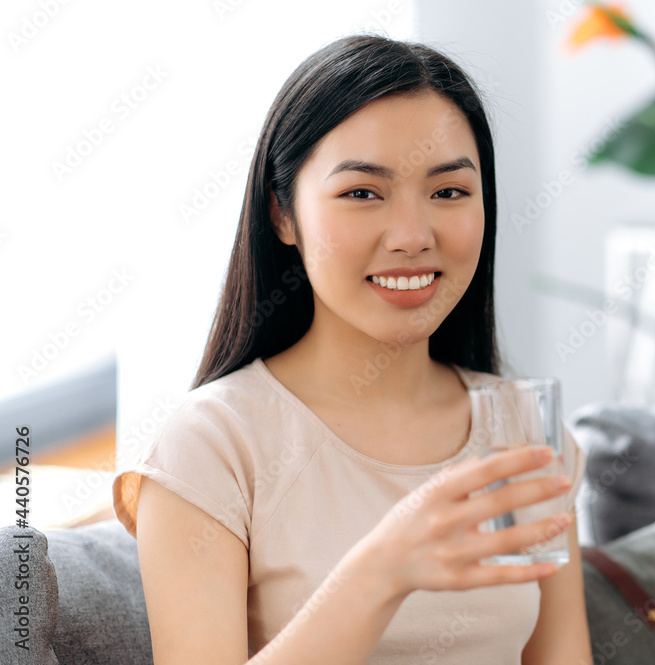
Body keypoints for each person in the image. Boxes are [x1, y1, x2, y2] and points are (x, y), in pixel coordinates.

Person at [111, 33, 592, 665]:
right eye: (362, 192)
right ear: (283, 214)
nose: (413, 236)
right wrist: (380, 572)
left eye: (448, 191)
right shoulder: (212, 444)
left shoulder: (523, 431)